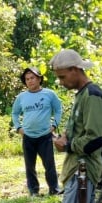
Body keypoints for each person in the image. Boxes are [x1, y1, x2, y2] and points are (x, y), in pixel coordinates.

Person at [49, 49, 102, 203]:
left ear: (75, 70)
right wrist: (67, 138)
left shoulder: (92, 95)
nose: (61, 82)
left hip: (83, 171)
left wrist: (69, 145)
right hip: (77, 168)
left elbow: (96, 138)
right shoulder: (82, 95)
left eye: (63, 77)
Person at [12, 66, 63, 196]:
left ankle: (54, 189)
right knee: (30, 166)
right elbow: (15, 113)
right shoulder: (21, 97)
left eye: (32, 78)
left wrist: (54, 124)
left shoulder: (49, 94)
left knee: (49, 165)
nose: (30, 81)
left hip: (45, 135)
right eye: (27, 79)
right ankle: (33, 190)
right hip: (28, 136)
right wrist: (19, 128)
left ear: (39, 79)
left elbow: (58, 109)